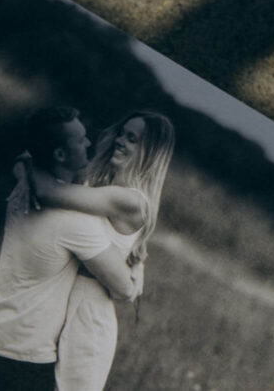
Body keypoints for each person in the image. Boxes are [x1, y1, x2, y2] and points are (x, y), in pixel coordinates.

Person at [0, 107, 140, 391]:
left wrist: (23, 163)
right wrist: (137, 264)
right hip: (20, 353)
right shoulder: (74, 221)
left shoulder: (23, 186)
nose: (89, 143)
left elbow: (26, 161)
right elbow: (124, 289)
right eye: (80, 139)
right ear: (61, 155)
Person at [22, 111, 174, 391]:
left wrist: (27, 158)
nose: (120, 141)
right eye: (122, 133)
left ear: (150, 154)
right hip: (61, 302)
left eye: (132, 139)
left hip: (87, 318)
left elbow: (47, 192)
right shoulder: (105, 187)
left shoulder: (130, 201)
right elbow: (137, 263)